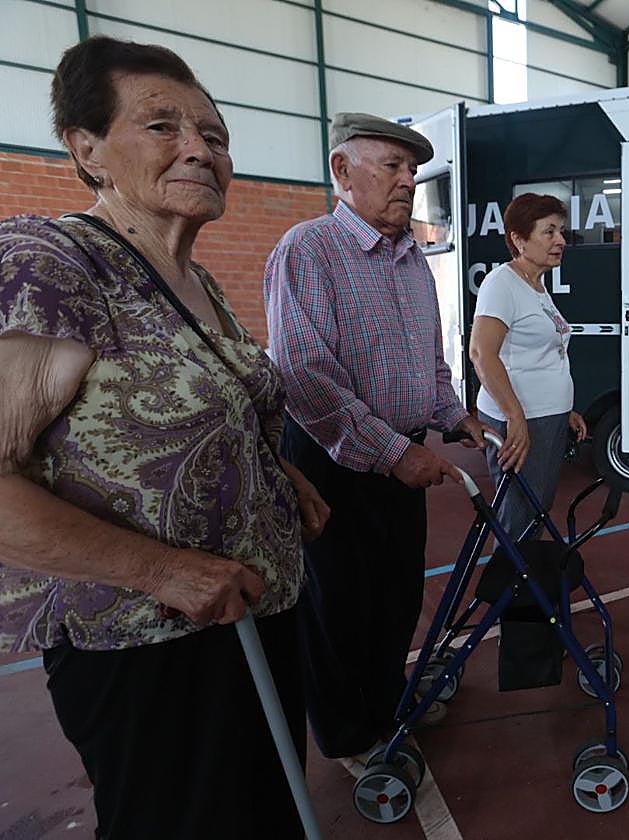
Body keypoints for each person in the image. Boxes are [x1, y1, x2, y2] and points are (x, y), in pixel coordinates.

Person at [0, 37, 329, 839]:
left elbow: (198, 415)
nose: (199, 149)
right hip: (150, 647)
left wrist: (271, 472)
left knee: (266, 817)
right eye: (161, 126)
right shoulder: (51, 264)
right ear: (87, 149)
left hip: (250, 620)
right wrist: (162, 569)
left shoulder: (193, 278)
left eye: (214, 135)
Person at [264, 111, 493, 777]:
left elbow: (429, 361)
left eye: (412, 171)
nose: (407, 182)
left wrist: (456, 417)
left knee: (395, 595)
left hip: (403, 460)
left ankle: (388, 700)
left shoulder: (412, 258)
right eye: (392, 166)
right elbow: (304, 374)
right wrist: (395, 452)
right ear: (342, 170)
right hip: (333, 462)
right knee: (338, 603)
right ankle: (347, 734)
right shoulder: (308, 249)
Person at [469, 193, 586, 537]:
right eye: (549, 231)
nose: (561, 240)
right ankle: (511, 573)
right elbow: (481, 353)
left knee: (535, 511)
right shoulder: (501, 283)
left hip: (544, 416)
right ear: (519, 240)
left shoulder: (536, 286)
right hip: (522, 420)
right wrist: (515, 416)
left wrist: (563, 409)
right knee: (519, 516)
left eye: (561, 231)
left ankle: (525, 569)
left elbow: (540, 355)